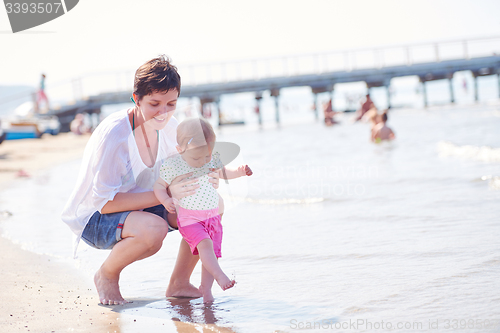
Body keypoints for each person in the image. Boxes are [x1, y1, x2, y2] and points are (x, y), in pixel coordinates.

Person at [61, 55, 221, 305]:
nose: (163, 112)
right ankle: (107, 275)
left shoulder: (170, 128)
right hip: (95, 218)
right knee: (153, 230)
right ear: (136, 99)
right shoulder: (115, 135)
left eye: (171, 104)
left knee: (208, 207)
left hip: (142, 207)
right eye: (155, 104)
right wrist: (169, 194)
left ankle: (179, 282)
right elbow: (104, 203)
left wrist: (203, 180)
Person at [154, 117, 252, 302]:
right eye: (197, 157)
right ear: (180, 150)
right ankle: (221, 277)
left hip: (212, 217)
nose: (203, 161)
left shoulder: (209, 159)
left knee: (211, 253)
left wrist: (239, 171)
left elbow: (223, 172)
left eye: (207, 155)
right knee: (205, 245)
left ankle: (206, 291)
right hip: (190, 219)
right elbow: (159, 185)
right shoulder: (174, 165)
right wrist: (166, 199)